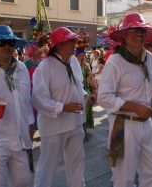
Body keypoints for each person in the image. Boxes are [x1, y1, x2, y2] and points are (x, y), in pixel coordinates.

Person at [98, 12, 152, 187]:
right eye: (134, 30)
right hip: (122, 124)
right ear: (124, 35)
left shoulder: (148, 57)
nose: (139, 34)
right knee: (123, 179)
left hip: (147, 123)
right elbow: (104, 97)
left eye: (142, 30)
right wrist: (134, 107)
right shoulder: (115, 61)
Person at [32, 27, 88, 187]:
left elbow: (77, 85)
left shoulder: (74, 61)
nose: (75, 43)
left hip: (76, 123)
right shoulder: (45, 67)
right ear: (60, 45)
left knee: (77, 165)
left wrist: (85, 95)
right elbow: (38, 98)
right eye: (71, 41)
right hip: (54, 128)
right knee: (47, 167)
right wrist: (63, 107)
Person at [0, 25, 34, 187]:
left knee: (24, 181)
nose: (7, 46)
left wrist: (30, 125)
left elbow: (26, 101)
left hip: (18, 139)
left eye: (10, 42)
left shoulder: (21, 69)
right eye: (2, 42)